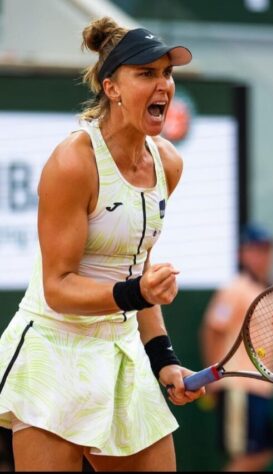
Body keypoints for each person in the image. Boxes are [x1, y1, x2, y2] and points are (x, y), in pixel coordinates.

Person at [0, 17, 205, 472]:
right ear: (111, 88)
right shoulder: (73, 161)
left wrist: (164, 360)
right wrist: (137, 293)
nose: (163, 85)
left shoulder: (168, 163)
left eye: (167, 73)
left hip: (121, 352)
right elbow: (58, 287)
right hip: (54, 354)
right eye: (146, 74)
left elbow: (139, 272)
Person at [200, 223, 273, 472]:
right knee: (246, 455)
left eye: (266, 249)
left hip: (264, 387)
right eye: (256, 250)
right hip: (237, 386)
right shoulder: (233, 290)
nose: (262, 256)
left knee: (264, 452)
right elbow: (212, 331)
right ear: (242, 254)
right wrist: (212, 377)